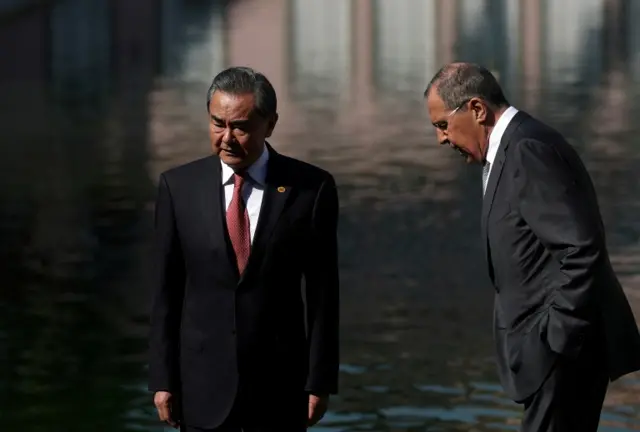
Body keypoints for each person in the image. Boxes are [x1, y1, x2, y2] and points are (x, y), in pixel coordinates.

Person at [424, 62, 640, 431]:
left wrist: (555, 339)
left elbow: (581, 249)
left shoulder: (527, 149)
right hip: (549, 354)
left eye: (443, 125)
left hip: (562, 354)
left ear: (476, 109)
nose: (442, 139)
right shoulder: (512, 147)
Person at [148, 66, 340, 431]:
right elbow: (165, 291)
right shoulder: (178, 187)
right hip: (199, 386)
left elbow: (323, 296)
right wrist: (161, 379)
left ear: (270, 124)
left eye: (240, 126)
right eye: (217, 123)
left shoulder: (310, 189)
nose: (227, 137)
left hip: (279, 387)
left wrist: (320, 381)